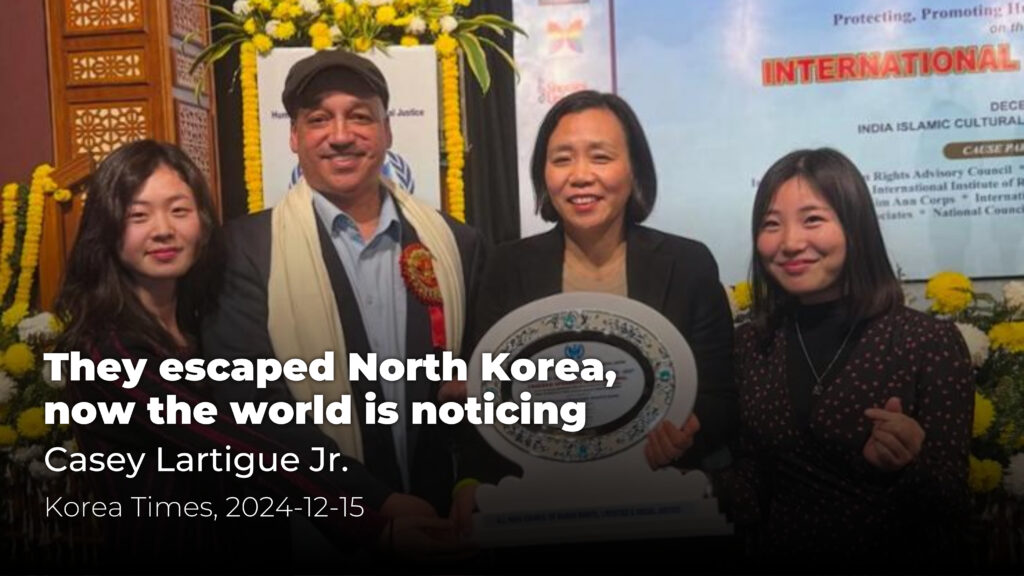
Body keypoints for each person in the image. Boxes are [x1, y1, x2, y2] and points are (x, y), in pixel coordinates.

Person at [56, 140, 461, 571]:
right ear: (107, 227)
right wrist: (375, 521)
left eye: (179, 210)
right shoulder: (108, 351)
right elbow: (237, 446)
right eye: (139, 215)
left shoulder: (200, 320)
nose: (163, 230)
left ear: (203, 221)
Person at [201, 49, 486, 527]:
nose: (340, 135)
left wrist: (472, 480)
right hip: (323, 526)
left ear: (387, 131)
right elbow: (253, 407)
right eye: (318, 119)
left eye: (360, 116)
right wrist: (375, 507)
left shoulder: (456, 244)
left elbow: (486, 381)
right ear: (294, 136)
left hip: (449, 523)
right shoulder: (244, 251)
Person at [453, 90, 737, 527]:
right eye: (562, 159)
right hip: (537, 510)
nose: (581, 176)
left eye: (600, 157)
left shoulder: (688, 265)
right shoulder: (507, 267)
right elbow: (483, 400)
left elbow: (719, 397)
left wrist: (687, 430)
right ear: (543, 173)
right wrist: (471, 476)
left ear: (635, 169)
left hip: (658, 507)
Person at [715, 148, 973, 569]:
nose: (790, 243)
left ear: (856, 227)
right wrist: (689, 474)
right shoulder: (751, 343)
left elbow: (954, 503)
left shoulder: (927, 341)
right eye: (771, 225)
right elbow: (753, 483)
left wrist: (911, 461)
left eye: (813, 220)